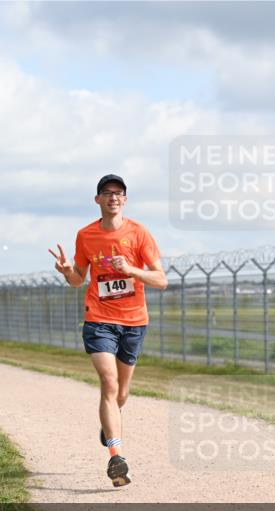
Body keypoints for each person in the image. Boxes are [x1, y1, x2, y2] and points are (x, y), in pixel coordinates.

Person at [49, 174, 166, 487]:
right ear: (97, 200)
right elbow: (78, 279)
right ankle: (116, 457)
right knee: (108, 382)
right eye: (107, 193)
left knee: (122, 394)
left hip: (134, 321)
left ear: (124, 200)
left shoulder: (139, 233)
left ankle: (108, 426)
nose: (113, 197)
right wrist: (66, 272)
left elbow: (161, 280)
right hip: (98, 318)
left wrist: (130, 270)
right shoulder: (86, 235)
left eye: (119, 193)